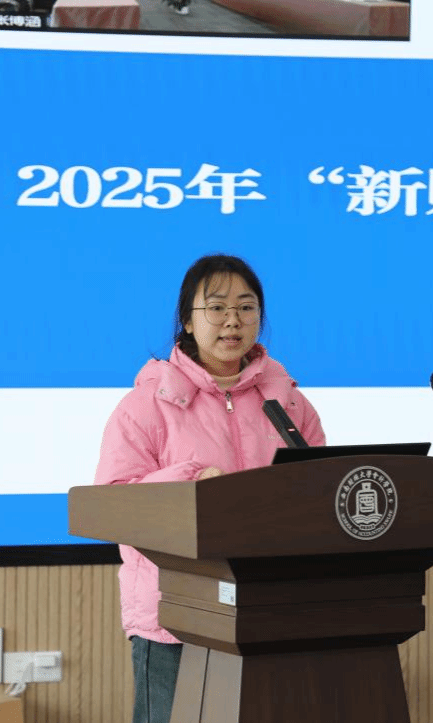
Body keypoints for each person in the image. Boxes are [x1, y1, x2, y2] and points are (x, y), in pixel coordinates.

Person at [94, 254, 326, 723]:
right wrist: (191, 482)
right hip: (178, 615)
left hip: (269, 609)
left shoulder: (290, 403)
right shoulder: (146, 404)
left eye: (246, 307)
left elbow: (320, 489)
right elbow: (113, 500)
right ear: (187, 319)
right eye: (216, 307)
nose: (232, 320)